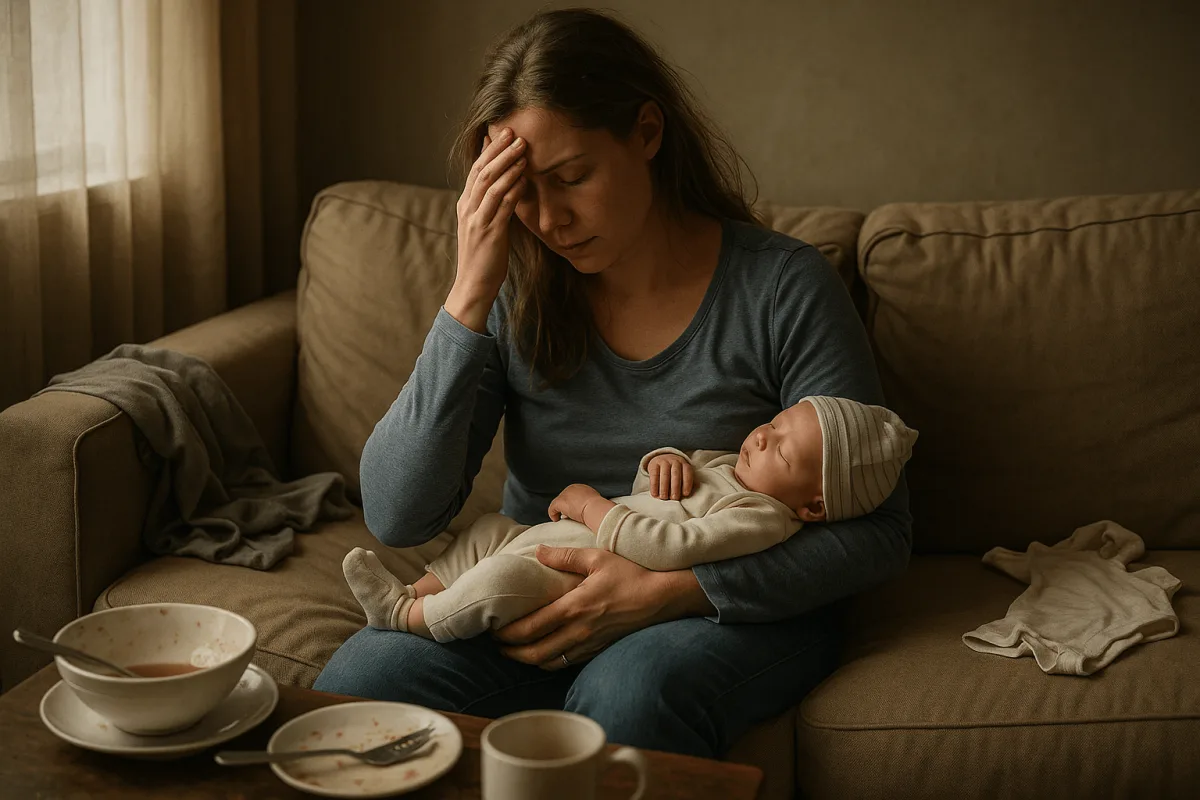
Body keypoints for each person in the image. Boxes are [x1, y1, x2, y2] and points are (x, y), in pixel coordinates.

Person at [313, 7, 913, 760]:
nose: (550, 220)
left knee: (628, 697)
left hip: (710, 611)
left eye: (571, 177)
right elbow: (399, 514)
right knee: (358, 678)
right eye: (520, 194)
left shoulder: (783, 286)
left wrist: (669, 592)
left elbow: (882, 534)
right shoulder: (515, 290)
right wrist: (468, 293)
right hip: (532, 591)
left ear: (647, 133)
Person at [343, 396, 917, 642]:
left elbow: (668, 547)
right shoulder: (730, 468)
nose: (763, 435)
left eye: (783, 452)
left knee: (498, 579)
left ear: (811, 507)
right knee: (489, 531)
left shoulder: (761, 518)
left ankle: (408, 617)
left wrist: (594, 506)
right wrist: (661, 463)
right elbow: (653, 494)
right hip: (558, 532)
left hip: (577, 575)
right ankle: (415, 588)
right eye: (775, 422)